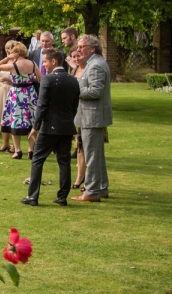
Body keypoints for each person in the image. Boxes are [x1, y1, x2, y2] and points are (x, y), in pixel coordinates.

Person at [23, 48, 79, 206]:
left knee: (37, 159)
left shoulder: (47, 79)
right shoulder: (73, 80)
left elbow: (42, 105)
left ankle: (33, 196)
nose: (44, 65)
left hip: (49, 127)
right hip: (66, 127)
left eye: (45, 62)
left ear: (54, 61)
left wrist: (36, 127)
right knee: (64, 161)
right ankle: (62, 197)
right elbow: (74, 106)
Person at [73, 34, 112, 202]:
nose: (78, 49)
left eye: (82, 47)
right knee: (96, 154)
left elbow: (96, 91)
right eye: (78, 46)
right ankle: (101, 188)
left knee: (92, 155)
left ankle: (91, 192)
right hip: (91, 116)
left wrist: (74, 91)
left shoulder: (96, 65)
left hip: (92, 117)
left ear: (92, 48)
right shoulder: (93, 63)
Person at [0, 41, 39, 159]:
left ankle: (17, 150)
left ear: (16, 53)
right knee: (31, 121)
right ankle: (31, 150)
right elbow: (40, 78)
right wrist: (29, 79)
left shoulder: (14, 65)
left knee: (15, 120)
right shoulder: (33, 63)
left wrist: (7, 58)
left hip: (17, 94)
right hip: (30, 93)